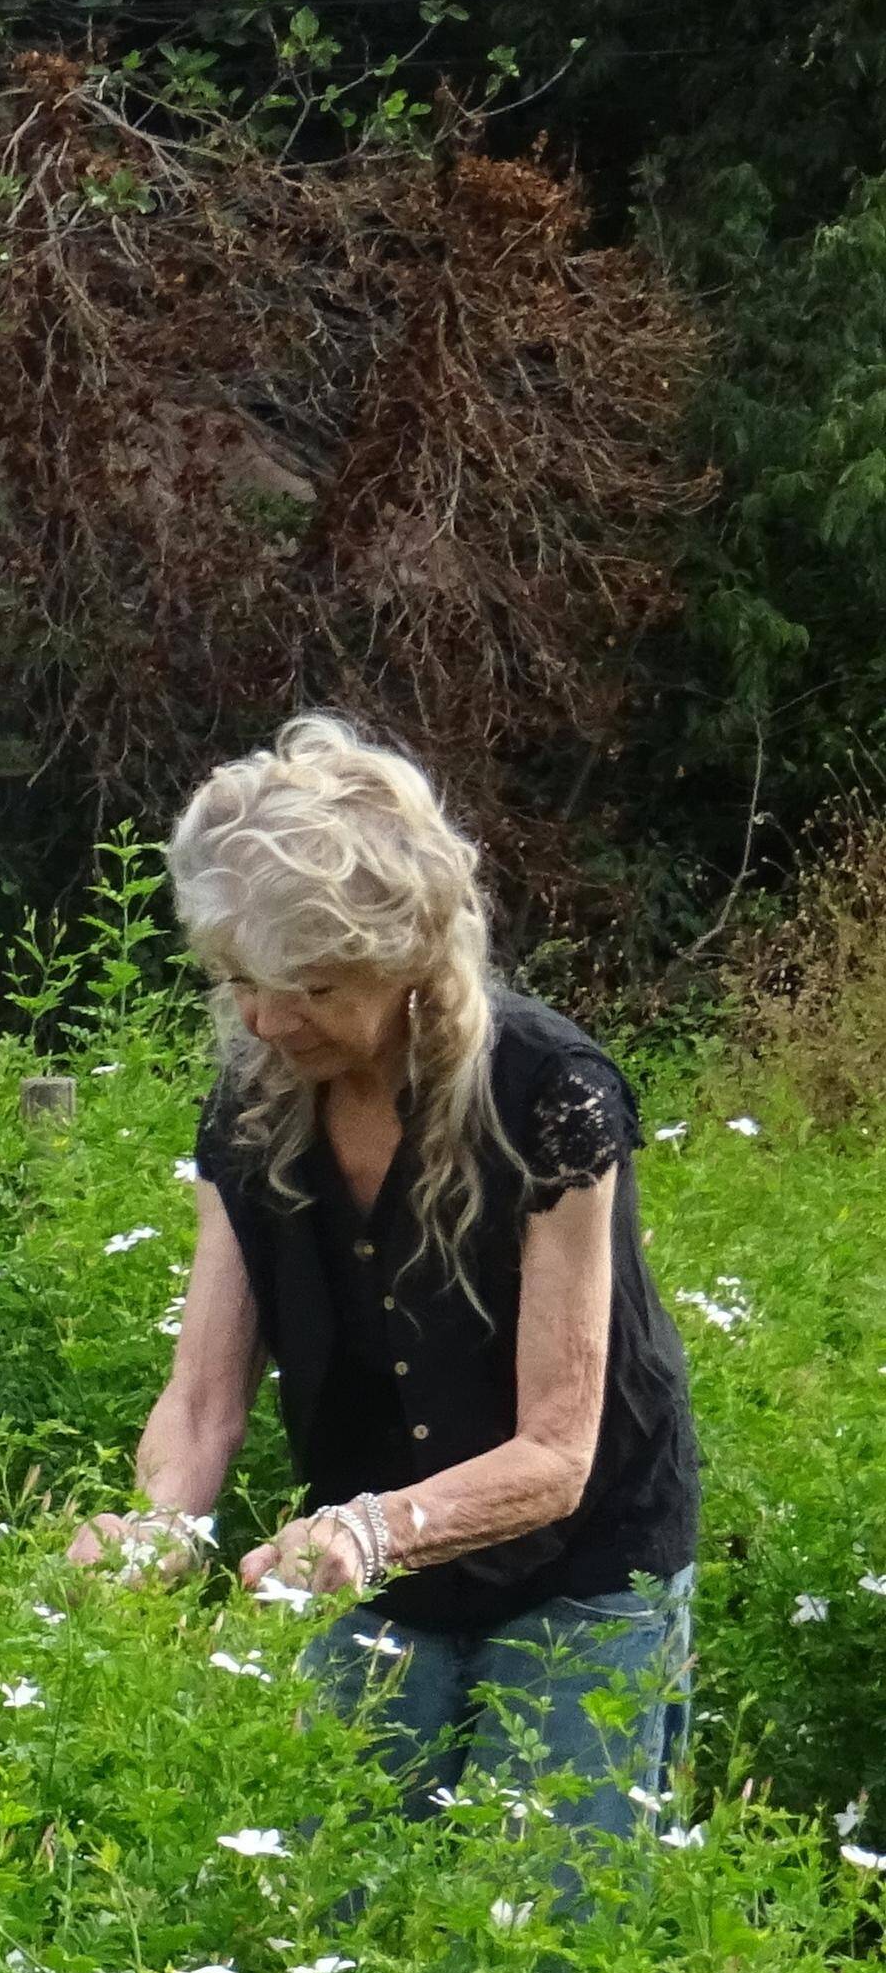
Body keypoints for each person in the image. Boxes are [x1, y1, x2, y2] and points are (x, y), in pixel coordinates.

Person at [72, 714, 701, 1834]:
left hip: (582, 1563)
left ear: (400, 958)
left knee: (544, 1929)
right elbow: (204, 1400)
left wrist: (368, 1533)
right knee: (333, 1894)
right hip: (365, 1564)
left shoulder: (548, 1093)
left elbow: (557, 1453)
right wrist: (161, 1526)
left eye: (307, 986)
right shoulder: (253, 1100)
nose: (264, 1020)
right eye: (236, 980)